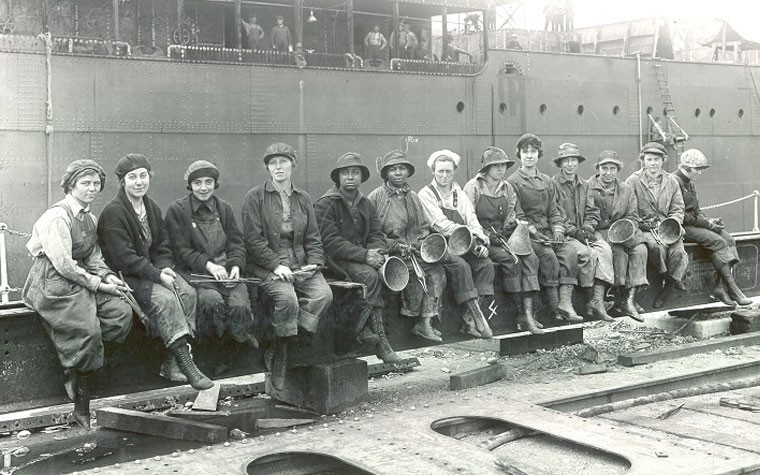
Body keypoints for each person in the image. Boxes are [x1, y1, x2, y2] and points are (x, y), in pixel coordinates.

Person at [22, 160, 133, 430]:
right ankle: (81, 402)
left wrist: (108, 276)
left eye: (96, 184)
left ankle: (79, 366)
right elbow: (63, 264)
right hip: (53, 283)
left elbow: (93, 256)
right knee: (87, 330)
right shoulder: (57, 217)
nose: (92, 189)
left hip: (82, 278)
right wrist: (98, 285)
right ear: (71, 186)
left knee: (121, 313)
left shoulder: (89, 217)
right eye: (85, 183)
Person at [97, 154, 213, 391]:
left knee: (188, 293)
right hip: (128, 276)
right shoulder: (113, 213)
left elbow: (162, 245)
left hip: (151, 271)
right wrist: (158, 276)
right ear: (122, 182)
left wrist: (165, 267)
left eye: (143, 176)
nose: (139, 182)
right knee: (166, 299)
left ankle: (171, 363)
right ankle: (187, 364)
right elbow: (125, 259)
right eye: (132, 178)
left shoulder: (151, 207)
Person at [241, 143, 333, 391]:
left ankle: (291, 338)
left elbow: (314, 237)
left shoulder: (303, 198)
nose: (278, 167)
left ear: (293, 164)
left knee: (324, 294)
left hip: (300, 262)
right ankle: (281, 352)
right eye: (273, 163)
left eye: (283, 161)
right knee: (288, 300)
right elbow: (253, 239)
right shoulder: (255, 197)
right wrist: (275, 265)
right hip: (267, 264)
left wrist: (315, 261)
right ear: (267, 168)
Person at [165, 160, 258, 377]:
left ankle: (232, 350)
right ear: (190, 185)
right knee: (211, 303)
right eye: (197, 183)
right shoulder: (177, 210)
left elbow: (236, 241)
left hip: (227, 272)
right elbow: (180, 251)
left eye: (209, 182)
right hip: (196, 274)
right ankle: (208, 356)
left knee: (240, 307)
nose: (204, 187)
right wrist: (208, 264)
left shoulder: (223, 208)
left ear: (215, 184)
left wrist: (236, 265)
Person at [315, 153, 401, 362]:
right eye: (345, 173)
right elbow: (330, 242)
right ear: (338, 178)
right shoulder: (326, 204)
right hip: (335, 261)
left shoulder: (365, 203)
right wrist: (365, 255)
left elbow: (376, 233)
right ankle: (370, 337)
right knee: (369, 276)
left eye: (355, 173)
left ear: (361, 177)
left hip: (363, 258)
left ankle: (367, 330)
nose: (350, 177)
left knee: (388, 275)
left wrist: (378, 252)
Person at [367, 150, 447, 342]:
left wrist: (420, 245)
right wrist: (395, 245)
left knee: (436, 271)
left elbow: (422, 228)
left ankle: (425, 323)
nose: (398, 173)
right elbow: (372, 234)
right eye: (393, 169)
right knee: (411, 273)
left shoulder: (413, 197)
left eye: (402, 168)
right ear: (386, 173)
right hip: (389, 252)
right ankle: (409, 320)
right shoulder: (375, 198)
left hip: (413, 249)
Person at [463, 147, 544, 334]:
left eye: (503, 166)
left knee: (531, 258)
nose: (501, 169)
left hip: (502, 237)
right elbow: (469, 218)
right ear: (486, 168)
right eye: (496, 166)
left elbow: (511, 213)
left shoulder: (507, 187)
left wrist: (509, 228)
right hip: (481, 239)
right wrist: (487, 236)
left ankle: (527, 313)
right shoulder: (473, 186)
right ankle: (516, 312)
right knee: (511, 260)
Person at [418, 150, 495, 338]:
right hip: (440, 246)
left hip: (464, 242)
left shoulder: (459, 194)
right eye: (440, 171)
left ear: (454, 171)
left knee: (486, 265)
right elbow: (441, 225)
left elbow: (472, 219)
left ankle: (469, 319)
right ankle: (476, 318)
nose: (444, 176)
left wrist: (480, 239)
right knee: (461, 266)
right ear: (433, 172)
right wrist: (468, 235)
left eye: (449, 172)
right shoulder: (426, 194)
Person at [507, 134, 581, 323]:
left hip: (549, 232)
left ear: (538, 154)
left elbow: (554, 211)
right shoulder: (513, 181)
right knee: (548, 256)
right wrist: (535, 232)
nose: (529, 156)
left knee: (570, 252)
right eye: (525, 152)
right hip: (528, 235)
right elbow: (518, 215)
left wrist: (558, 229)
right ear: (519, 155)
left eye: (533, 151)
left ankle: (566, 303)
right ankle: (555, 307)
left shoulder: (547, 181)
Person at [673, 149, 751, 306]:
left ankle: (720, 287)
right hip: (679, 227)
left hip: (694, 224)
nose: (700, 173)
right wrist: (706, 224)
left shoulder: (690, 182)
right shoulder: (673, 182)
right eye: (698, 169)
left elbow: (696, 210)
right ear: (686, 167)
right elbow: (680, 215)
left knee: (729, 239)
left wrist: (709, 220)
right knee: (718, 242)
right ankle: (733, 289)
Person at [549, 143, 614, 322]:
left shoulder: (584, 185)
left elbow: (592, 211)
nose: (570, 164)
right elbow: (554, 214)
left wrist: (587, 228)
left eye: (574, 160)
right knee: (587, 254)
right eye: (566, 161)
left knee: (605, 250)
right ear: (560, 163)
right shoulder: (552, 185)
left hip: (584, 232)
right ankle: (589, 298)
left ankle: (597, 301)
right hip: (566, 235)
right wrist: (574, 231)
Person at [587, 151, 648, 321]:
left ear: (617, 169)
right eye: (604, 168)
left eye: (612, 168)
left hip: (622, 231)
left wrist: (626, 229)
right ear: (598, 169)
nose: (608, 172)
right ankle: (618, 296)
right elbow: (587, 214)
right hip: (599, 231)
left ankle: (630, 298)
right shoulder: (588, 187)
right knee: (617, 252)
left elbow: (633, 215)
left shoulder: (626, 189)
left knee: (641, 249)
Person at [625, 142, 687, 308]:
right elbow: (628, 209)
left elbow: (678, 208)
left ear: (663, 161)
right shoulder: (633, 181)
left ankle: (669, 286)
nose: (653, 163)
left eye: (657, 159)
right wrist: (642, 223)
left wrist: (673, 223)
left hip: (668, 226)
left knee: (679, 253)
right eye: (649, 159)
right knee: (655, 247)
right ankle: (669, 275)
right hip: (645, 227)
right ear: (643, 161)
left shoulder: (672, 181)